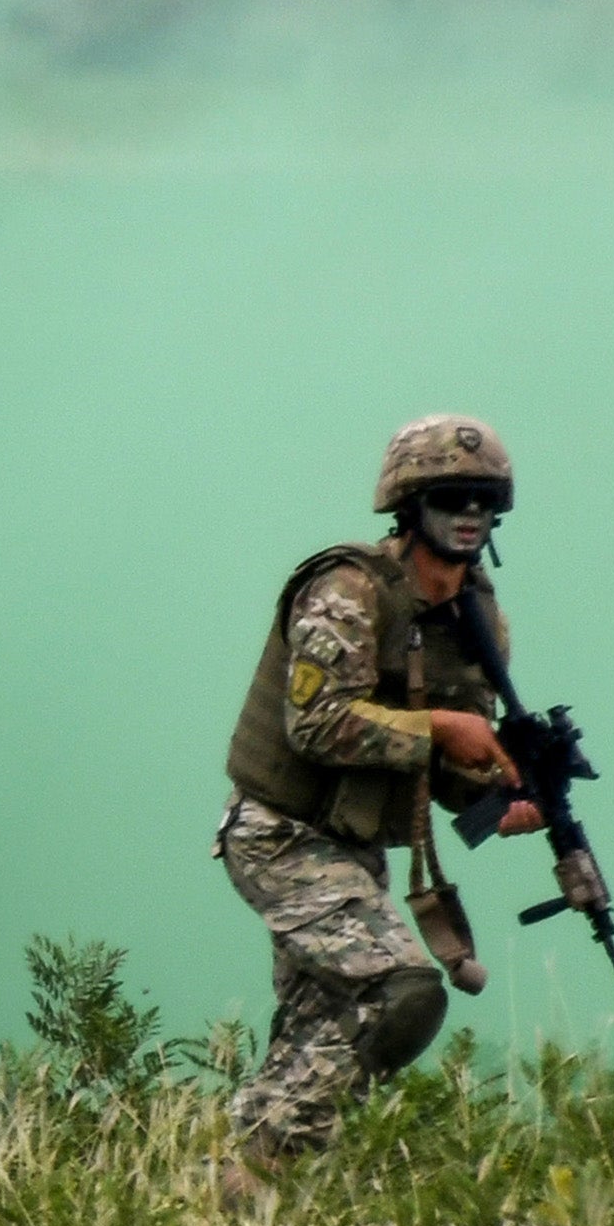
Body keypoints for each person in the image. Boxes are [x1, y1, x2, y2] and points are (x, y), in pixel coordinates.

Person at [217, 413, 541, 1184]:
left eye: (485, 501)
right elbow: (318, 725)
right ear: (409, 505)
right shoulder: (348, 590)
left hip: (353, 852)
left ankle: (243, 1197)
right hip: (282, 835)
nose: (470, 514)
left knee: (320, 1032)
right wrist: (440, 729)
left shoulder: (477, 618)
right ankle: (267, 1157)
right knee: (399, 994)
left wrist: (503, 793)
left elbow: (455, 768)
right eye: (451, 496)